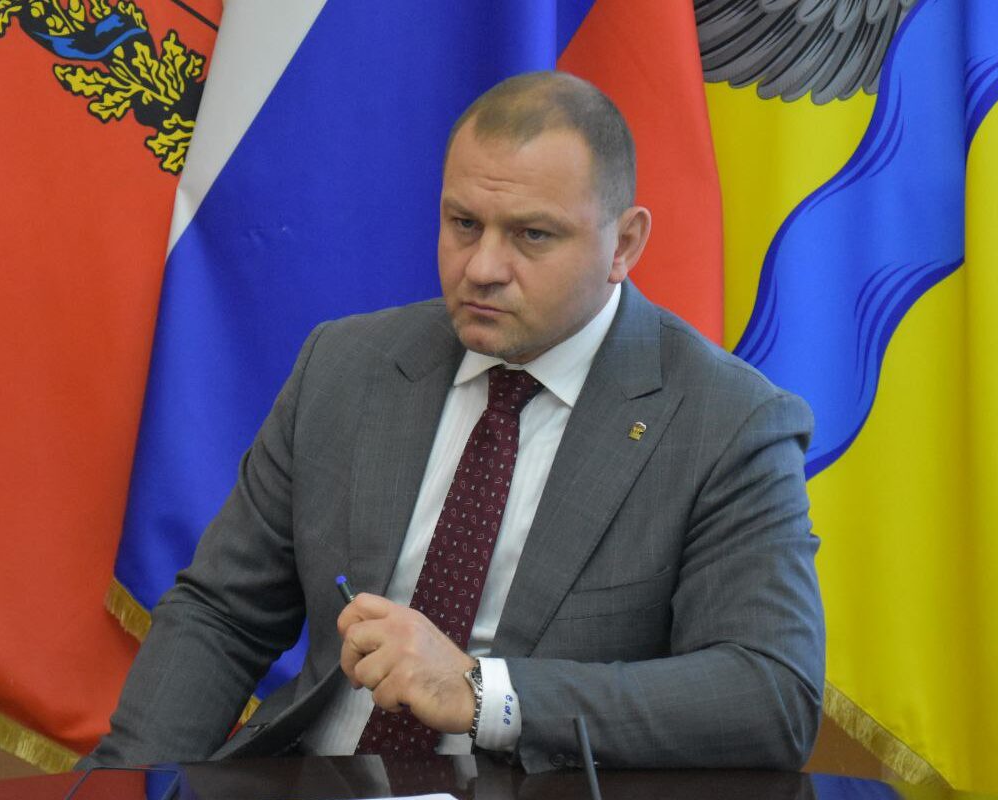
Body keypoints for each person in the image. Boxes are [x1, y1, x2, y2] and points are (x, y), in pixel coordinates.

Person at [83, 71, 824, 773]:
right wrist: (121, 786)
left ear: (623, 244)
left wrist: (484, 692)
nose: (481, 268)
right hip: (314, 777)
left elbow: (770, 695)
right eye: (463, 223)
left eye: (532, 235)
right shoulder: (345, 366)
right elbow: (223, 615)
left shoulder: (725, 423)